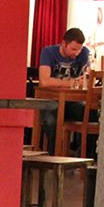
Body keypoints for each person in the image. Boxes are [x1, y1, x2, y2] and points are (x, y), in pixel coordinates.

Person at [37, 27, 91, 155]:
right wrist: (70, 83)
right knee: (52, 124)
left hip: (71, 102)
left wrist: (85, 79)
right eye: (73, 49)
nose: (76, 53)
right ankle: (53, 160)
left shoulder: (83, 54)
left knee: (92, 116)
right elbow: (44, 81)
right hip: (50, 101)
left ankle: (83, 158)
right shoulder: (48, 52)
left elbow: (87, 78)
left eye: (79, 49)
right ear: (63, 44)